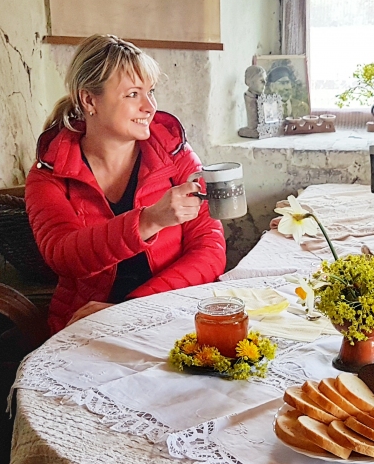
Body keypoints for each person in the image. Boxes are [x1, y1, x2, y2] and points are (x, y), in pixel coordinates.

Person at [26, 34, 226, 334]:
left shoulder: (175, 153)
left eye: (151, 92)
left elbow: (210, 250)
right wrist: (149, 221)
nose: (150, 107)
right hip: (85, 323)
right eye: (133, 94)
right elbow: (63, 257)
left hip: (170, 315)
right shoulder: (50, 173)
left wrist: (131, 309)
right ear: (89, 100)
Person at [238, 65, 267, 138]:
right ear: (249, 82)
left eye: (265, 80)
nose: (265, 83)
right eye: (261, 80)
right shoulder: (249, 97)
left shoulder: (263, 98)